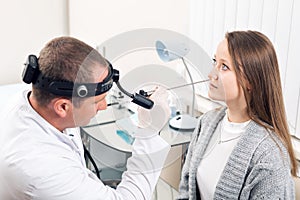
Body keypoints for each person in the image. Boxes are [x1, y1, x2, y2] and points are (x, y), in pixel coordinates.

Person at [0, 36, 171, 200]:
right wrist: (149, 132)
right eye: (97, 101)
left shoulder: (31, 99)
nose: (104, 106)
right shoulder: (43, 171)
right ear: (62, 107)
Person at [177, 30, 297, 199]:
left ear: (250, 81)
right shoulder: (206, 123)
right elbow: (185, 190)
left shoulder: (269, 156)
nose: (211, 74)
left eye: (224, 67)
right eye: (214, 62)